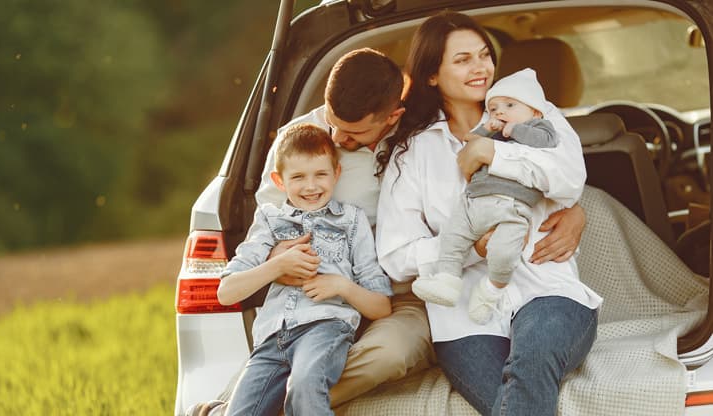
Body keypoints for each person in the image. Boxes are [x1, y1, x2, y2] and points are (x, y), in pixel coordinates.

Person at [188, 47, 589, 416]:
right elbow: (268, 225)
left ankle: (270, 406)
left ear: (392, 117)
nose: (338, 139)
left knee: (392, 352)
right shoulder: (299, 141)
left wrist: (576, 209)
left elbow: (508, 180)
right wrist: (281, 261)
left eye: (353, 134)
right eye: (333, 123)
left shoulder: (426, 139)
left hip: (396, 293)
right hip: (312, 288)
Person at [376, 11, 603, 416]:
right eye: (462, 60)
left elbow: (570, 177)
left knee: (529, 368)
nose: (480, 67)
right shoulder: (412, 154)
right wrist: (471, 248)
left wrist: (494, 152)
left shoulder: (538, 114)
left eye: (483, 55)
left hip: (548, 292)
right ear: (431, 74)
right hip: (464, 319)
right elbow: (395, 256)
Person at [217, 123, 393, 416]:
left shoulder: (351, 221)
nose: (311, 187)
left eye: (320, 174)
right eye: (298, 177)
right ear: (279, 181)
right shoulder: (270, 221)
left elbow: (382, 306)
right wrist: (277, 265)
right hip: (272, 337)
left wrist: (341, 286)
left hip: (324, 328)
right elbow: (226, 292)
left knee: (304, 386)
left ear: (336, 174)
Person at [412, 68, 561, 327]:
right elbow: (470, 142)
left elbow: (546, 141)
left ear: (535, 111)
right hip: (473, 203)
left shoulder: (539, 128)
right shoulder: (492, 131)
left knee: (504, 252)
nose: (500, 112)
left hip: (511, 208)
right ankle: (446, 280)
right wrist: (485, 129)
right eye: (493, 108)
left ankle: (492, 289)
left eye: (509, 105)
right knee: (452, 237)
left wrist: (513, 129)